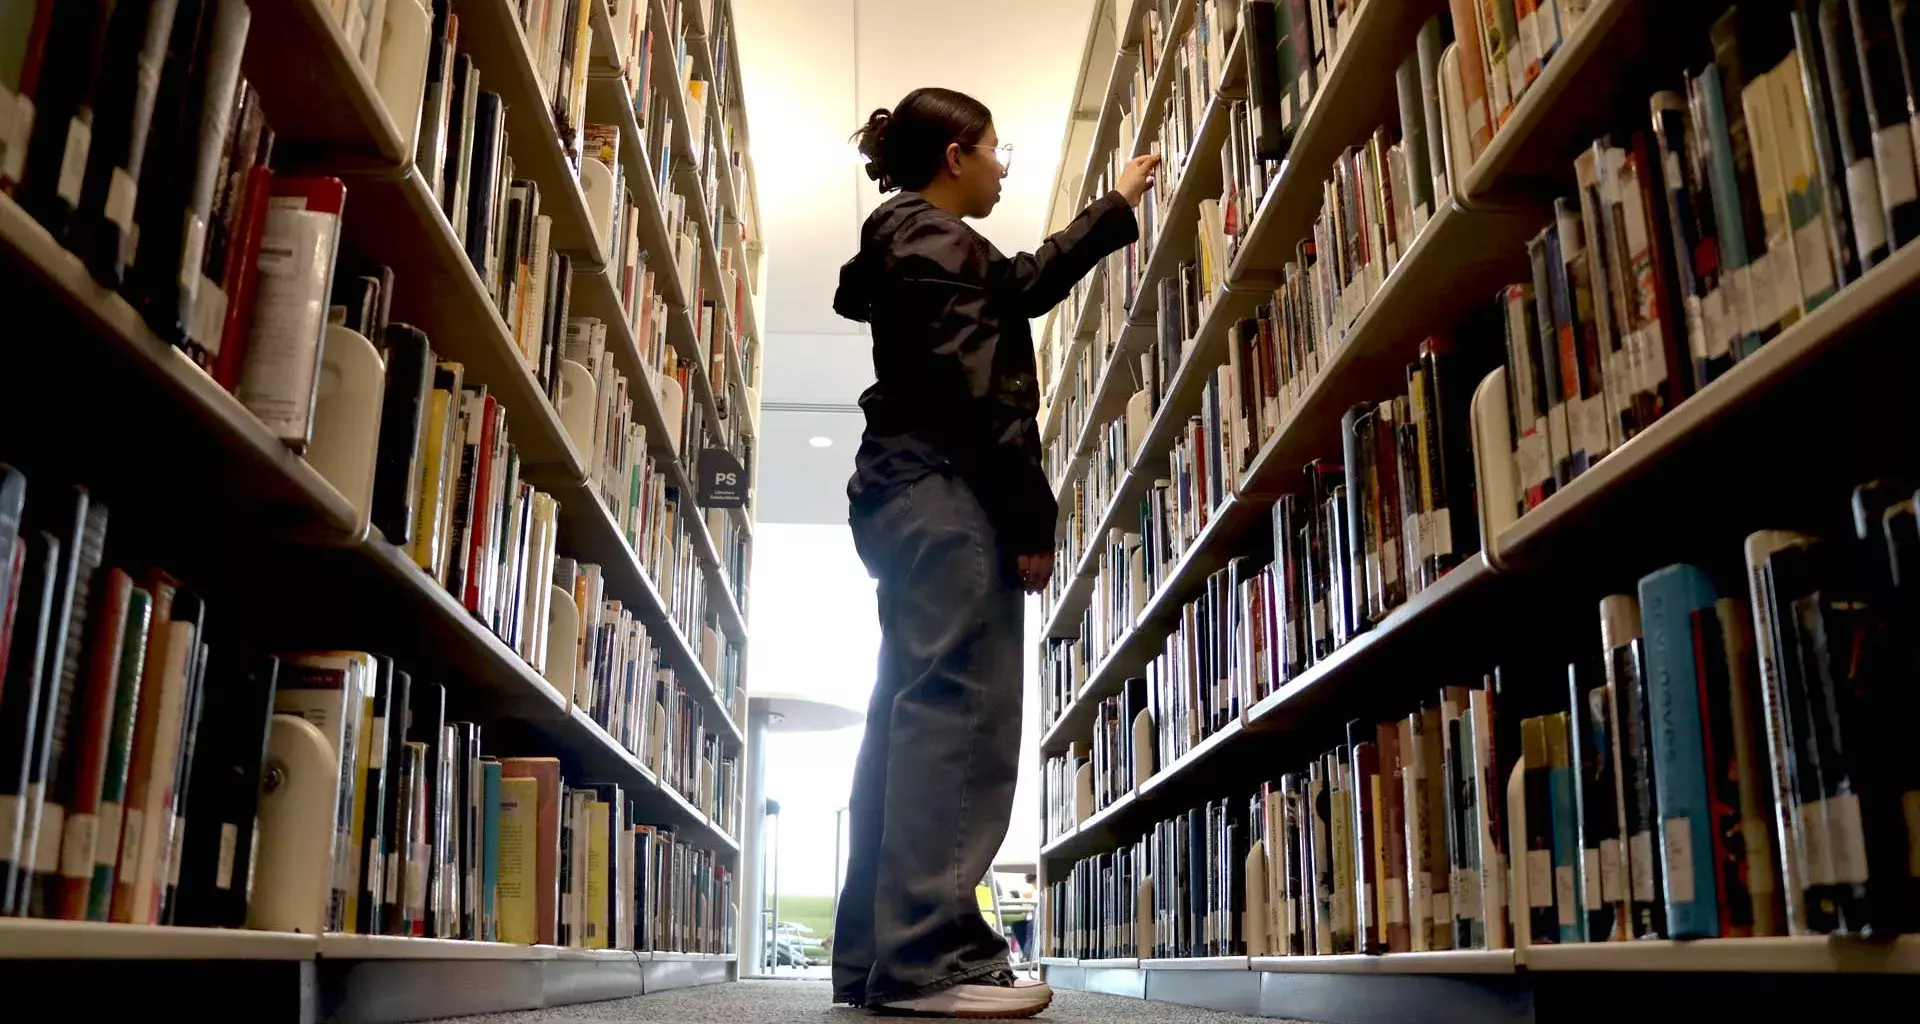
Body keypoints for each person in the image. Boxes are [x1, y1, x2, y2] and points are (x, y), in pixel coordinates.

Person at [830, 85, 1159, 1019]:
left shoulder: (926, 247)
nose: (1003, 165)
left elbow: (1022, 285)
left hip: (907, 496)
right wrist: (1032, 522)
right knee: (959, 715)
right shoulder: (932, 246)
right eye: (994, 149)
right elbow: (983, 395)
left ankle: (877, 961)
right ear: (953, 159)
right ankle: (932, 962)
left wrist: (1117, 206)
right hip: (946, 493)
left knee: (909, 725)